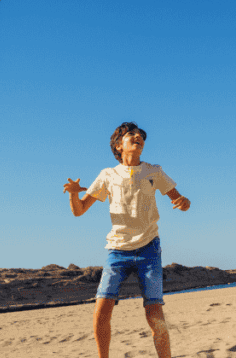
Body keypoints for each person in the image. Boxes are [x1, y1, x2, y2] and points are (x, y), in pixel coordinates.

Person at [63, 122, 191, 358]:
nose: (137, 137)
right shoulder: (107, 175)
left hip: (149, 250)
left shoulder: (154, 171)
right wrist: (73, 193)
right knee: (102, 310)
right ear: (118, 145)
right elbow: (79, 210)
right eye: (130, 134)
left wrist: (184, 202)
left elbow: (180, 199)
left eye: (140, 135)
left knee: (154, 313)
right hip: (117, 251)